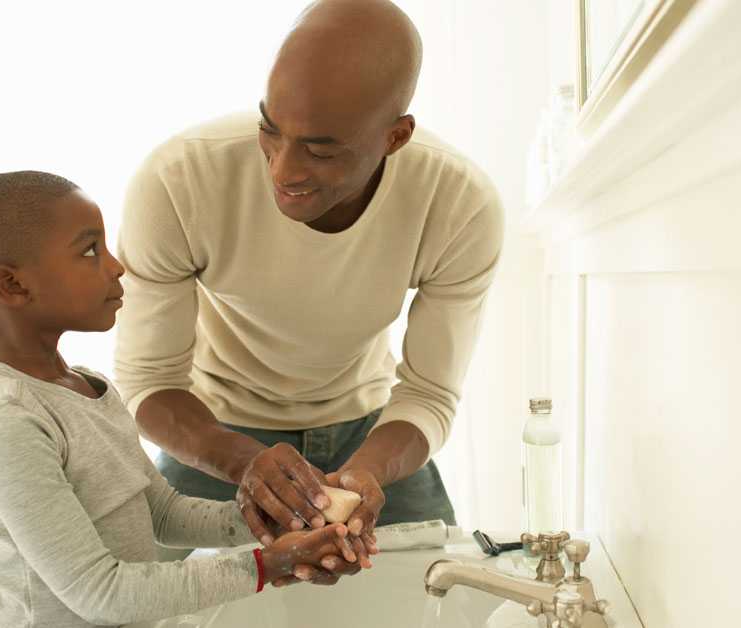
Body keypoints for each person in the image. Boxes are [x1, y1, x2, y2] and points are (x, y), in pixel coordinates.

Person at [115, 0, 504, 576]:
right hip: (213, 430)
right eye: (270, 131)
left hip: (373, 434)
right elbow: (149, 381)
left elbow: (429, 394)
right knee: (141, 607)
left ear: (396, 137)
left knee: (436, 598)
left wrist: (363, 475)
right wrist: (246, 462)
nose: (282, 171)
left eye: (320, 150)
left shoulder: (459, 204)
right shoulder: (180, 179)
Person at [0, 171, 366, 628]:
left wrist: (282, 519)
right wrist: (268, 565)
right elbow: (101, 593)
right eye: (90, 250)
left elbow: (160, 513)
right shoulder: (8, 425)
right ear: (13, 286)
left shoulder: (89, 388)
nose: (116, 267)